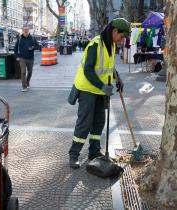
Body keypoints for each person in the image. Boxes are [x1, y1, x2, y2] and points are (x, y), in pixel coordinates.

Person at [68, 18, 131, 169]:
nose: (122, 40)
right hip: (88, 90)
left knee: (98, 122)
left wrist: (117, 77)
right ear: (115, 31)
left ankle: (94, 152)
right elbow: (88, 69)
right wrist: (103, 87)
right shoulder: (95, 44)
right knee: (84, 123)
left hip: (101, 91)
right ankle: (74, 154)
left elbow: (109, 66)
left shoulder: (111, 45)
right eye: (122, 37)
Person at [14, 26, 38, 92]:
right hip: (22, 58)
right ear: (22, 30)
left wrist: (33, 48)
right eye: (24, 29)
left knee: (30, 72)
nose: (26, 30)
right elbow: (15, 48)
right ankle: (24, 86)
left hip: (30, 58)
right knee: (23, 72)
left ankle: (27, 82)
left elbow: (37, 46)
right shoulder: (19, 38)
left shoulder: (32, 38)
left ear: (29, 30)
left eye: (27, 29)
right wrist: (17, 56)